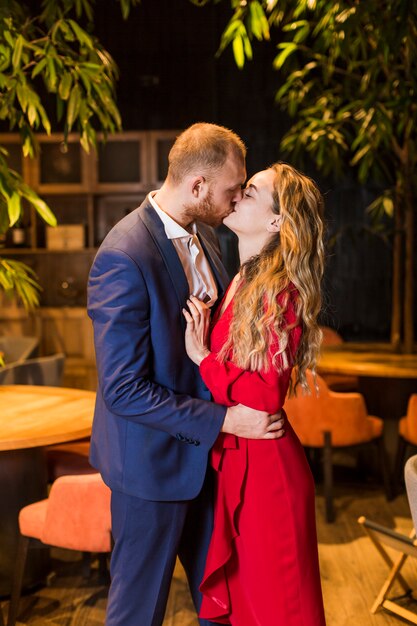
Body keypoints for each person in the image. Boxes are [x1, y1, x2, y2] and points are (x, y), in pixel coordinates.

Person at [87, 123, 285, 626]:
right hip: (149, 472)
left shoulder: (210, 237)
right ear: (197, 187)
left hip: (210, 468)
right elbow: (123, 390)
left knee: (222, 608)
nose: (237, 199)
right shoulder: (124, 255)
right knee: (138, 614)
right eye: (232, 190)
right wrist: (225, 421)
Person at [183, 161, 327, 625]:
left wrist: (202, 358)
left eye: (252, 191)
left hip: (268, 475)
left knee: (278, 612)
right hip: (245, 463)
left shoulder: (278, 290)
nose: (238, 194)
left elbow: (266, 396)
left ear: (276, 221)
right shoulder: (241, 282)